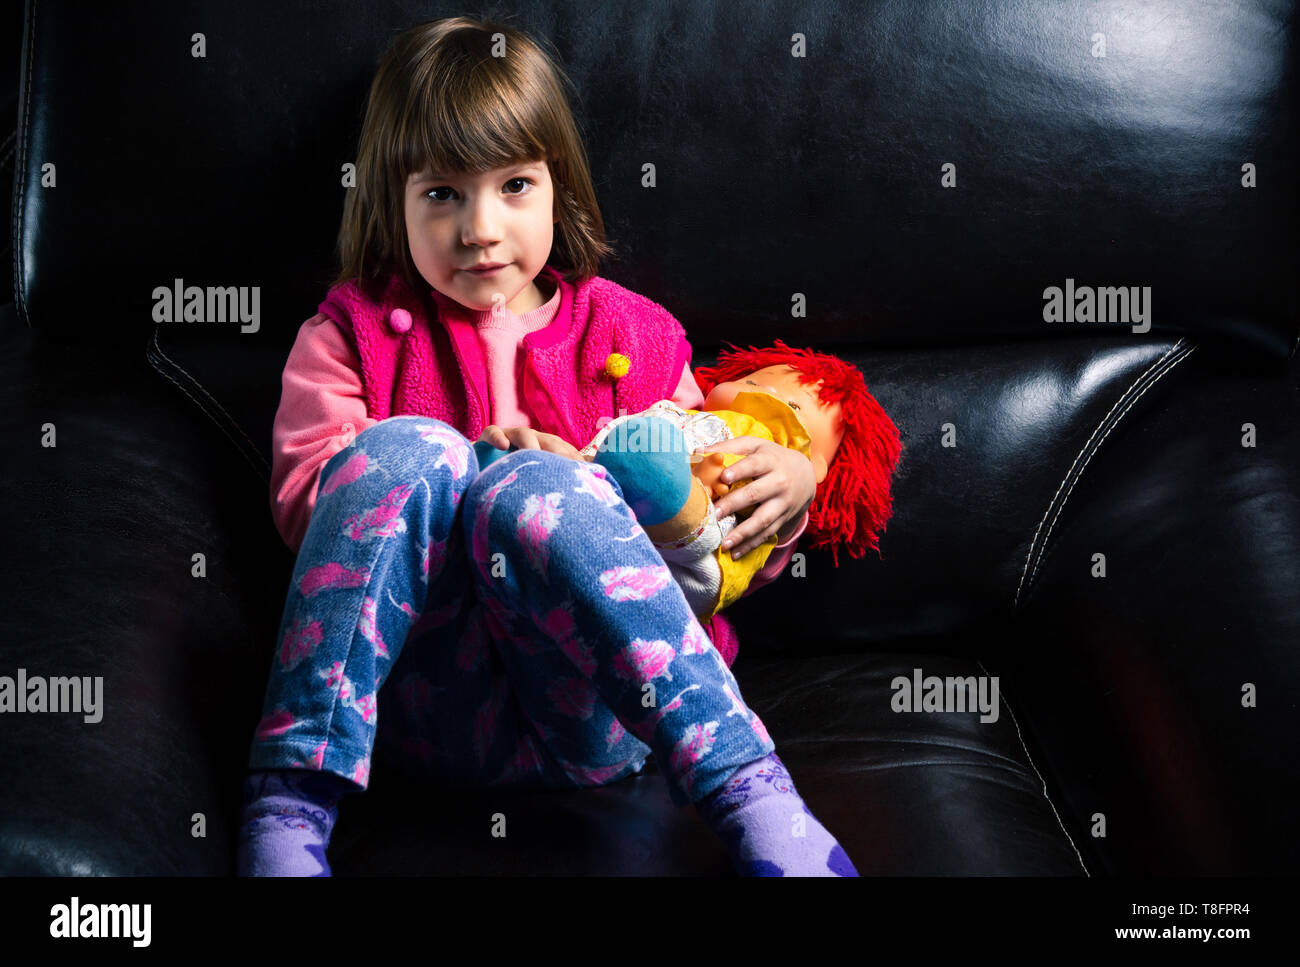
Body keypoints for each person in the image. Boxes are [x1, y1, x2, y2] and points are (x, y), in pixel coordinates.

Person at [237, 15, 857, 878]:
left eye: (515, 186)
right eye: (442, 194)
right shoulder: (352, 334)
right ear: (392, 199)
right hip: (424, 704)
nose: (481, 228)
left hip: (606, 705)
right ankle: (288, 812)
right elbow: (313, 511)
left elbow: (701, 520)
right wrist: (466, 467)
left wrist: (786, 485)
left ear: (560, 187)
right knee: (416, 452)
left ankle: (754, 797)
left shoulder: (630, 333)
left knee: (538, 489)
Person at [578, 343, 902, 621]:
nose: (767, 391)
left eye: (793, 405)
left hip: (663, 582)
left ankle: (672, 499)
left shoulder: (780, 480)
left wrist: (800, 486)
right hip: (593, 515)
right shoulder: (675, 414)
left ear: (816, 466)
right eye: (751, 381)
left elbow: (772, 533)